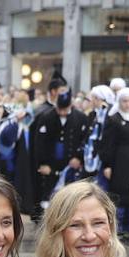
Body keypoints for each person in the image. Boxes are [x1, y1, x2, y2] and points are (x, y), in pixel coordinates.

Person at [30, 87, 88, 218]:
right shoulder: (46, 117)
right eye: (59, 109)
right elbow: (39, 143)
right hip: (50, 164)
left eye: (65, 109)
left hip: (71, 164)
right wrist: (42, 163)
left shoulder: (81, 118)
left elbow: (85, 140)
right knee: (49, 196)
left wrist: (79, 158)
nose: (62, 112)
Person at [100, 87, 129, 238]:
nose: (128, 104)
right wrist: (107, 164)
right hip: (119, 161)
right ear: (119, 101)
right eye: (125, 101)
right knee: (119, 193)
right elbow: (107, 143)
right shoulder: (114, 119)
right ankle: (120, 228)